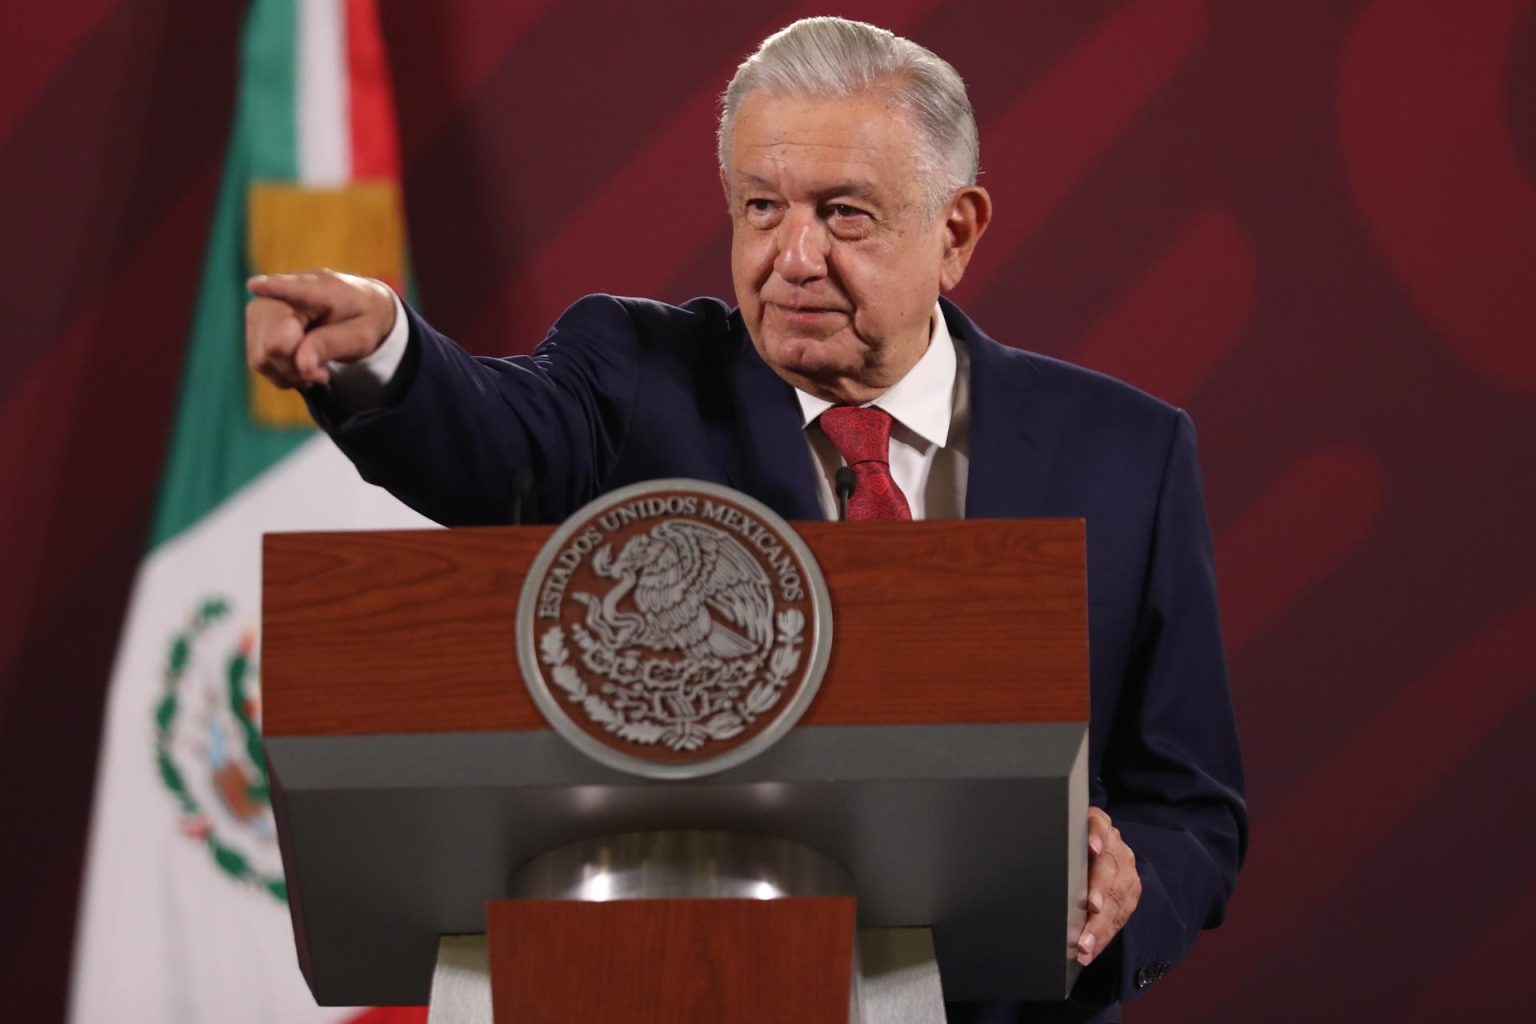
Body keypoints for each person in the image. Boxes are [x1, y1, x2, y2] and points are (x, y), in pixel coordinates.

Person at [246, 17, 1245, 1022]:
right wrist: (390, 357)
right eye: (761, 207)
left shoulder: (1129, 455)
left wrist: (1124, 892)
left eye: (844, 213)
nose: (792, 256)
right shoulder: (637, 378)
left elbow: (1192, 807)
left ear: (956, 232)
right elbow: (494, 433)